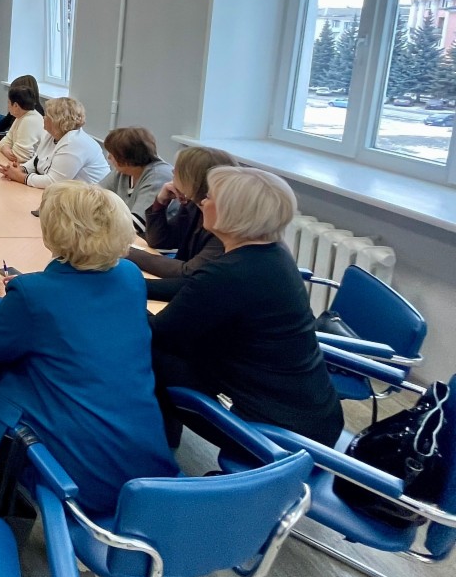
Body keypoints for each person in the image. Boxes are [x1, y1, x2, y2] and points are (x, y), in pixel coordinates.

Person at [0, 182, 178, 513]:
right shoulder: (130, 276)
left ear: (53, 232)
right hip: (147, 470)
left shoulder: (33, 293)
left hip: (78, 479)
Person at [151, 167, 344, 446]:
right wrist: (135, 284)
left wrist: (115, 294)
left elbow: (160, 332)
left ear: (232, 212)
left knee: (146, 349)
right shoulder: (272, 253)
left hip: (270, 432)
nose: (202, 202)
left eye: (210, 197)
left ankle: (149, 450)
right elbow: (194, 286)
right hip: (313, 415)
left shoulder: (230, 272)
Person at [127, 145, 237, 301]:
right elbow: (161, 241)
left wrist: (127, 251)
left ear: (192, 180)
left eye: (177, 170)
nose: (172, 172)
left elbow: (188, 272)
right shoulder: (194, 205)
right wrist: (160, 203)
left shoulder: (226, 223)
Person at [0, 96, 108, 187]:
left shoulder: (75, 142)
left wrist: (20, 177)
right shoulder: (51, 134)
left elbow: (54, 182)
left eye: (47, 115)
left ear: (57, 120)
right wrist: (22, 169)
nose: (43, 117)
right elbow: (37, 160)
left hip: (92, 199)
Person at [97, 127, 174, 233]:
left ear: (126, 158)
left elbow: (136, 225)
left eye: (112, 154)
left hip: (151, 240)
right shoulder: (123, 170)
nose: (109, 157)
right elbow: (94, 197)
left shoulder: (159, 176)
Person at [0, 78, 45, 163]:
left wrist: (5, 148)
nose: (8, 105)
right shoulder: (21, 116)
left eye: (8, 102)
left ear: (16, 105)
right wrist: (5, 148)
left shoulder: (29, 121)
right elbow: (5, 140)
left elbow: (19, 157)